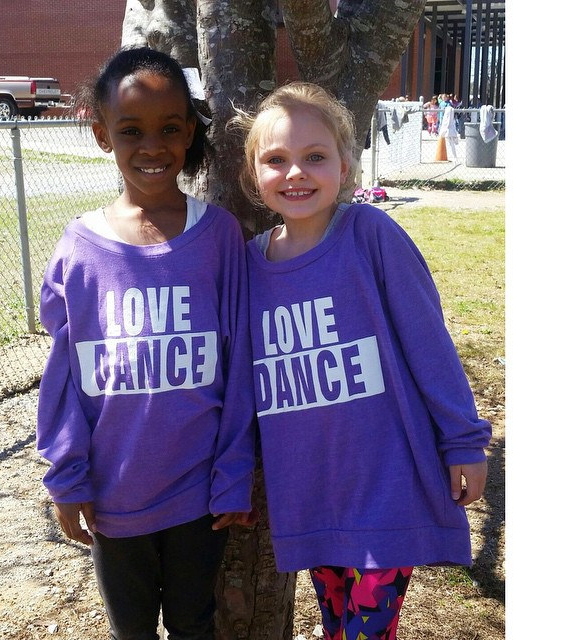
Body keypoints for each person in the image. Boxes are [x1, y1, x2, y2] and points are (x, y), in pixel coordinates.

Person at [230, 82, 491, 640]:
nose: (295, 172)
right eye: (276, 160)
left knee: (366, 631)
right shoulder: (250, 266)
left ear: (346, 165)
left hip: (386, 488)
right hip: (312, 494)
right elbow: (241, 388)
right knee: (336, 626)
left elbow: (429, 344)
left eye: (315, 157)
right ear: (254, 174)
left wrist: (464, 441)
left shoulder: (371, 236)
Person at [36, 46, 257, 640]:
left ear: (188, 132)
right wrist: (68, 479)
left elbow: (239, 371)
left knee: (193, 624)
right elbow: (63, 377)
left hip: (198, 495)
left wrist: (233, 473)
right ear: (102, 132)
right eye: (131, 130)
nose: (152, 146)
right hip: (114, 495)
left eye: (168, 129)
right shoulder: (80, 250)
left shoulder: (220, 238)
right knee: (130, 630)